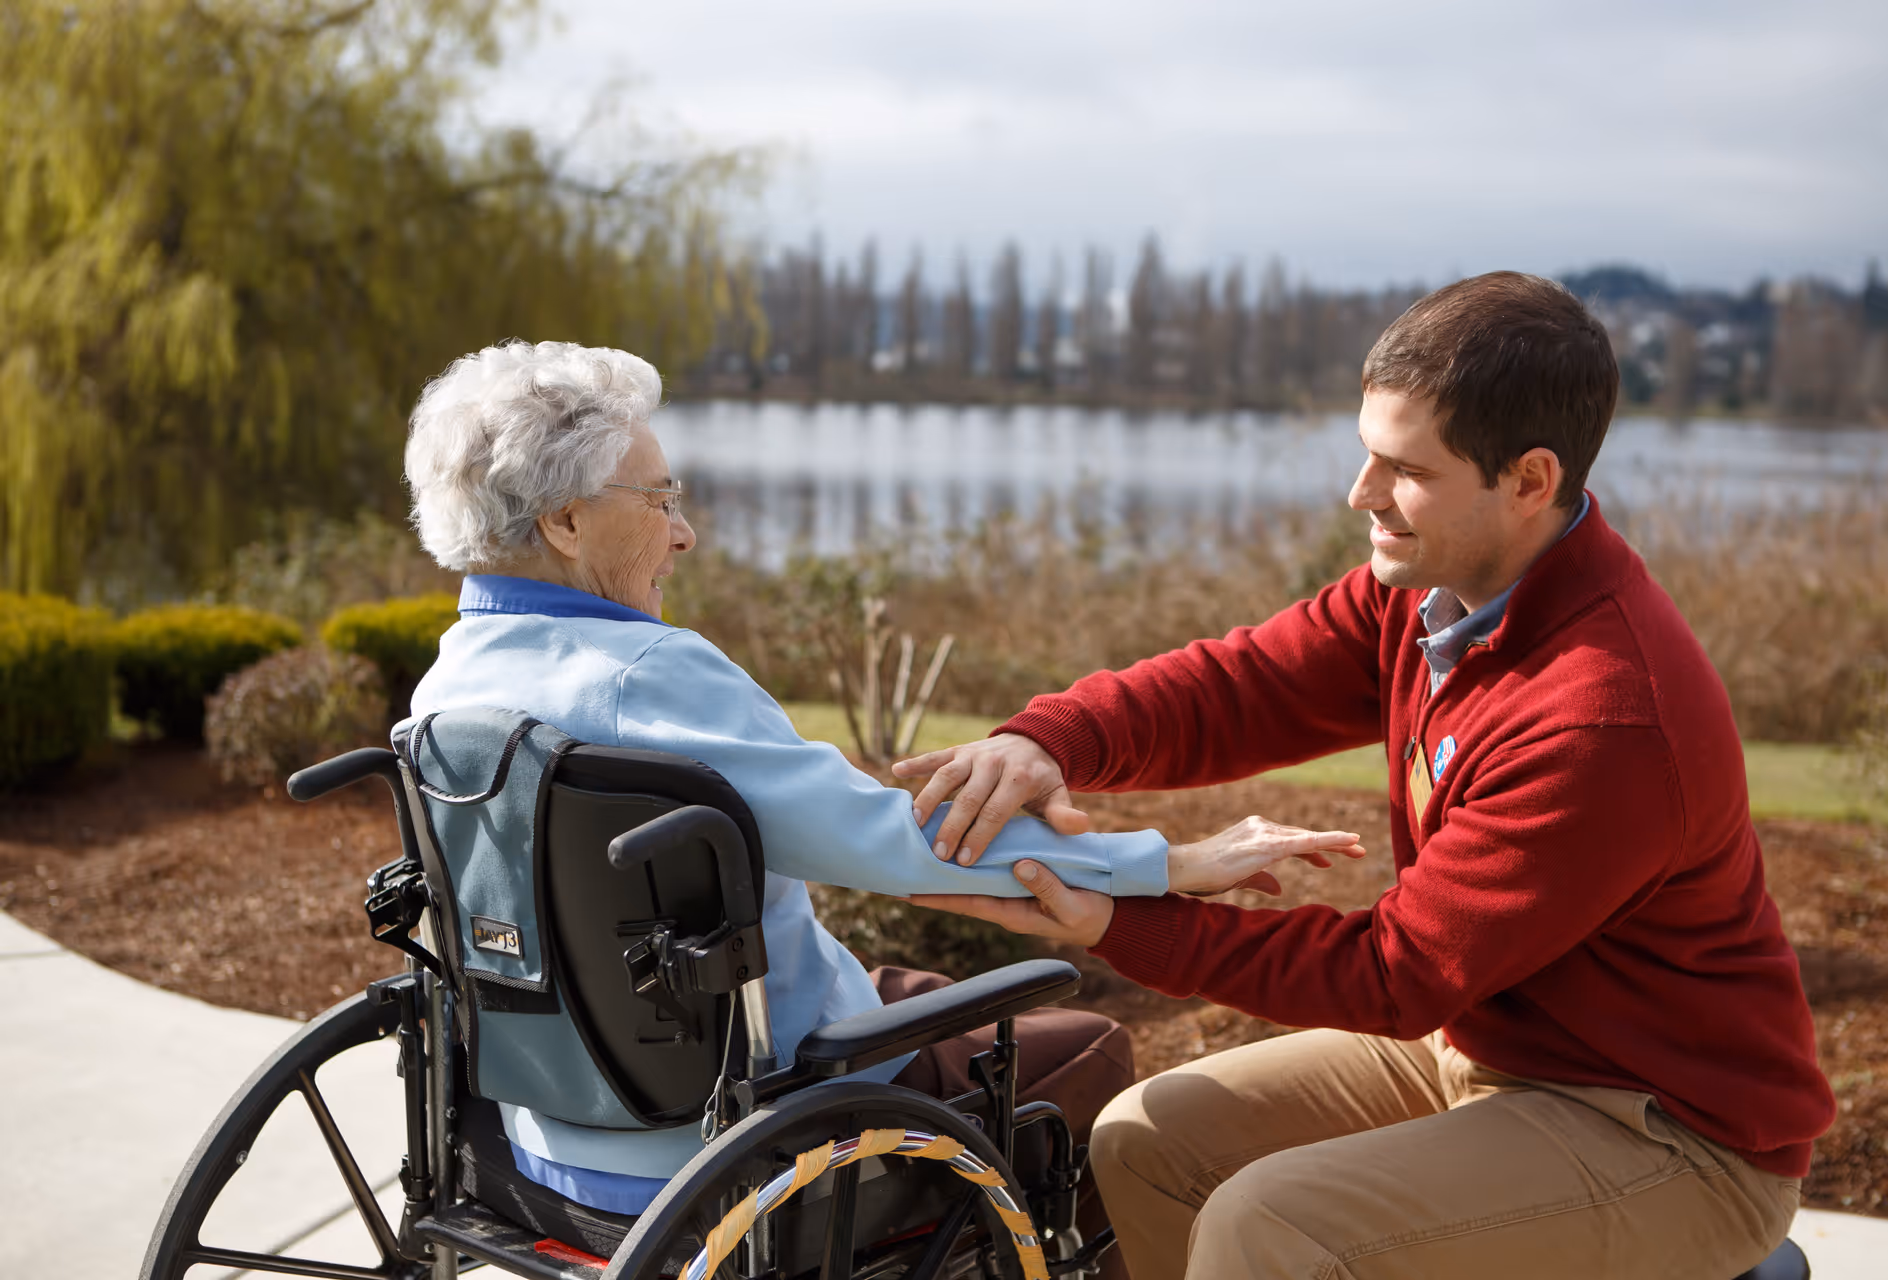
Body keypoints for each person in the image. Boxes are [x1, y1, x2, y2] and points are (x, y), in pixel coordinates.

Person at [896, 273, 1835, 1280]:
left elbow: (1395, 972)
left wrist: (1118, 923)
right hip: (1490, 1053)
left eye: (1404, 467)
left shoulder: (1600, 715)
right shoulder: (1437, 593)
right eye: (1366, 451)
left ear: (1527, 480)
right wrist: (1050, 739)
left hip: (1670, 1133)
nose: (1361, 492)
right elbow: (1242, 685)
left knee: (1276, 1223)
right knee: (1147, 1137)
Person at [399, 339, 1365, 1232]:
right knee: (1089, 1047)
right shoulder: (641, 673)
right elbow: (895, 842)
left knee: (935, 996)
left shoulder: (447, 689)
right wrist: (1171, 861)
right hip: (732, 1131)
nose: (684, 533)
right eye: (659, 501)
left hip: (545, 1133)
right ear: (567, 522)